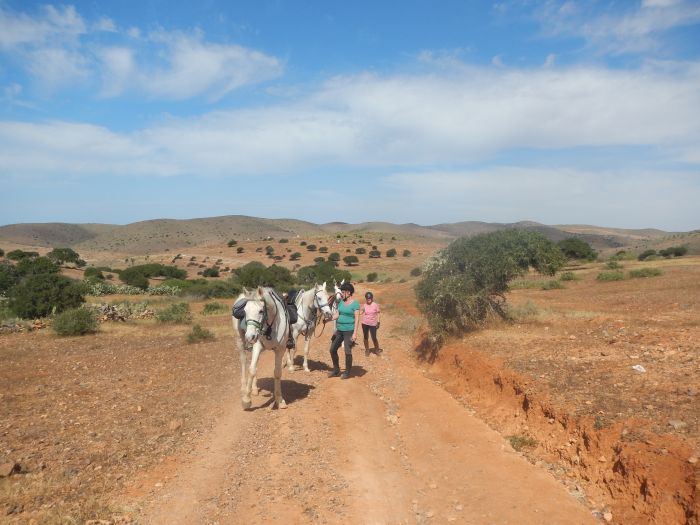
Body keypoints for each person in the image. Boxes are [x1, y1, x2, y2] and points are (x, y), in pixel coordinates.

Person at [327, 282, 360, 379]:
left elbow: (357, 319)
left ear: (349, 292)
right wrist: (328, 319)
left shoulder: (355, 304)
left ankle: (347, 372)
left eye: (343, 292)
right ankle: (336, 369)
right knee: (332, 349)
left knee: (347, 351)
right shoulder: (341, 302)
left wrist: (355, 333)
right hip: (339, 330)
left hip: (349, 331)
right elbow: (337, 314)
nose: (341, 294)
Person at [360, 291, 381, 355]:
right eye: (367, 298)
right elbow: (361, 312)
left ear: (372, 298)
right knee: (365, 337)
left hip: (373, 324)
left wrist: (378, 322)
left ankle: (377, 349)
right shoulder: (364, 305)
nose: (368, 300)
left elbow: (378, 313)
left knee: (374, 337)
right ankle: (367, 350)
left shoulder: (375, 305)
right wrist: (355, 313)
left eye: (369, 298)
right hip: (365, 323)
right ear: (366, 298)